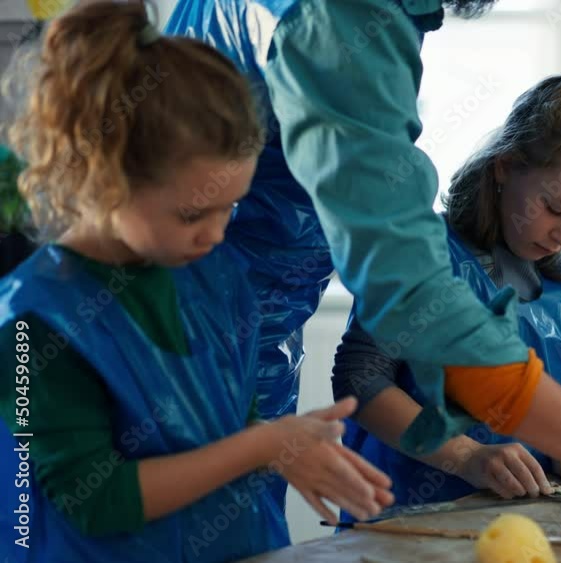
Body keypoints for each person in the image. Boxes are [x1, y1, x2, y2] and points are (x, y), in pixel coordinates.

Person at [165, 0, 561, 532]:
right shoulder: (342, 22)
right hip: (200, 351)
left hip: (236, 348)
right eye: (556, 209)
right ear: (506, 167)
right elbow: (404, 307)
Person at [0, 4, 392, 561]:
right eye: (191, 215)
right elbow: (95, 501)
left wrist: (290, 453)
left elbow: (235, 419)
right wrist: (264, 445)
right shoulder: (33, 321)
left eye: (229, 207)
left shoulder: (219, 275)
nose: (214, 234)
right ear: (102, 174)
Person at [334, 35, 561, 518]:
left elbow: (548, 398)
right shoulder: (423, 255)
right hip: (402, 519)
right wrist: (468, 457)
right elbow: (360, 379)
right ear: (505, 166)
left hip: (511, 519)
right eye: (555, 208)